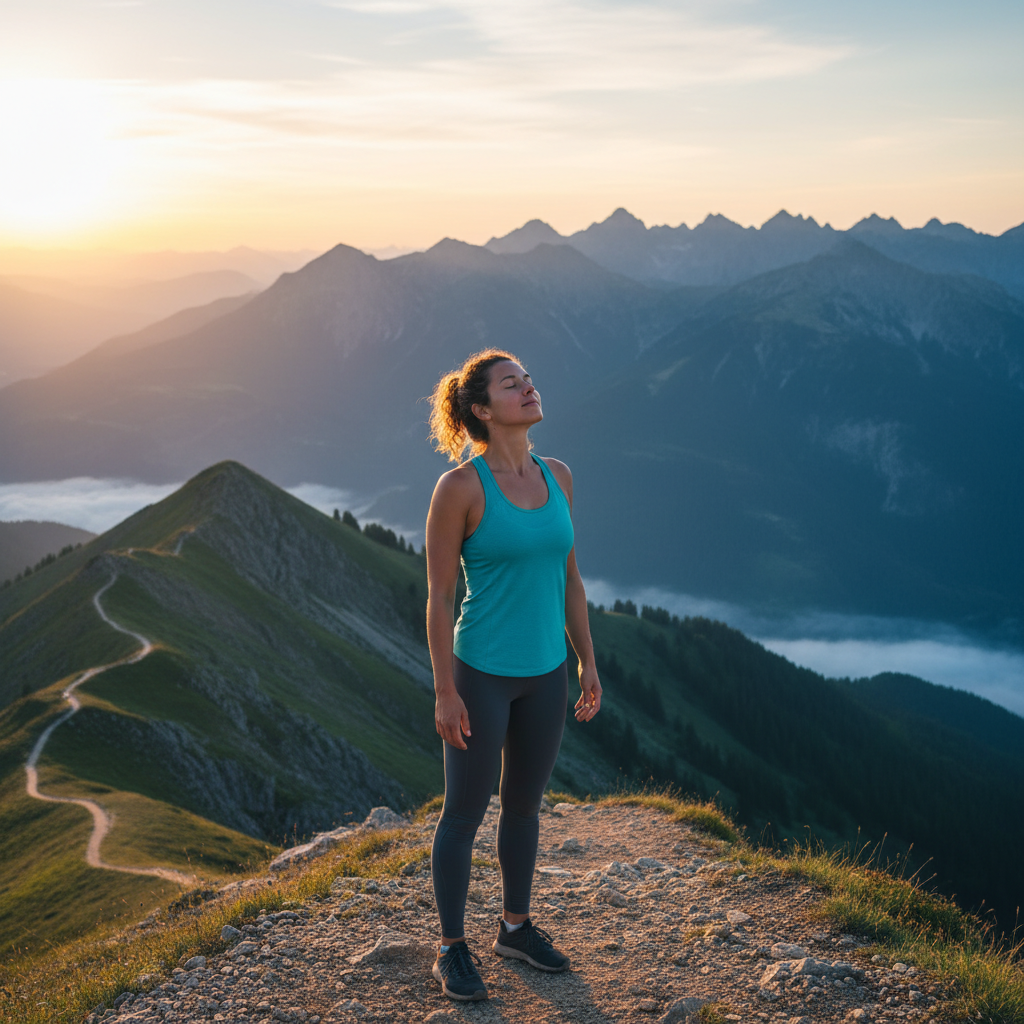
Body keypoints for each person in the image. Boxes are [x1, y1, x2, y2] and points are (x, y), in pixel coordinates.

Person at [424, 348, 603, 1002]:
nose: (529, 388)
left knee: (524, 806)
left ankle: (515, 928)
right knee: (464, 813)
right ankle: (451, 947)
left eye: (528, 379)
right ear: (482, 409)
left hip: (546, 673)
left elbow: (571, 579)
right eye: (511, 384)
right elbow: (439, 597)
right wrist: (445, 690)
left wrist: (587, 659)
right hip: (482, 675)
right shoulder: (460, 489)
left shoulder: (560, 476)